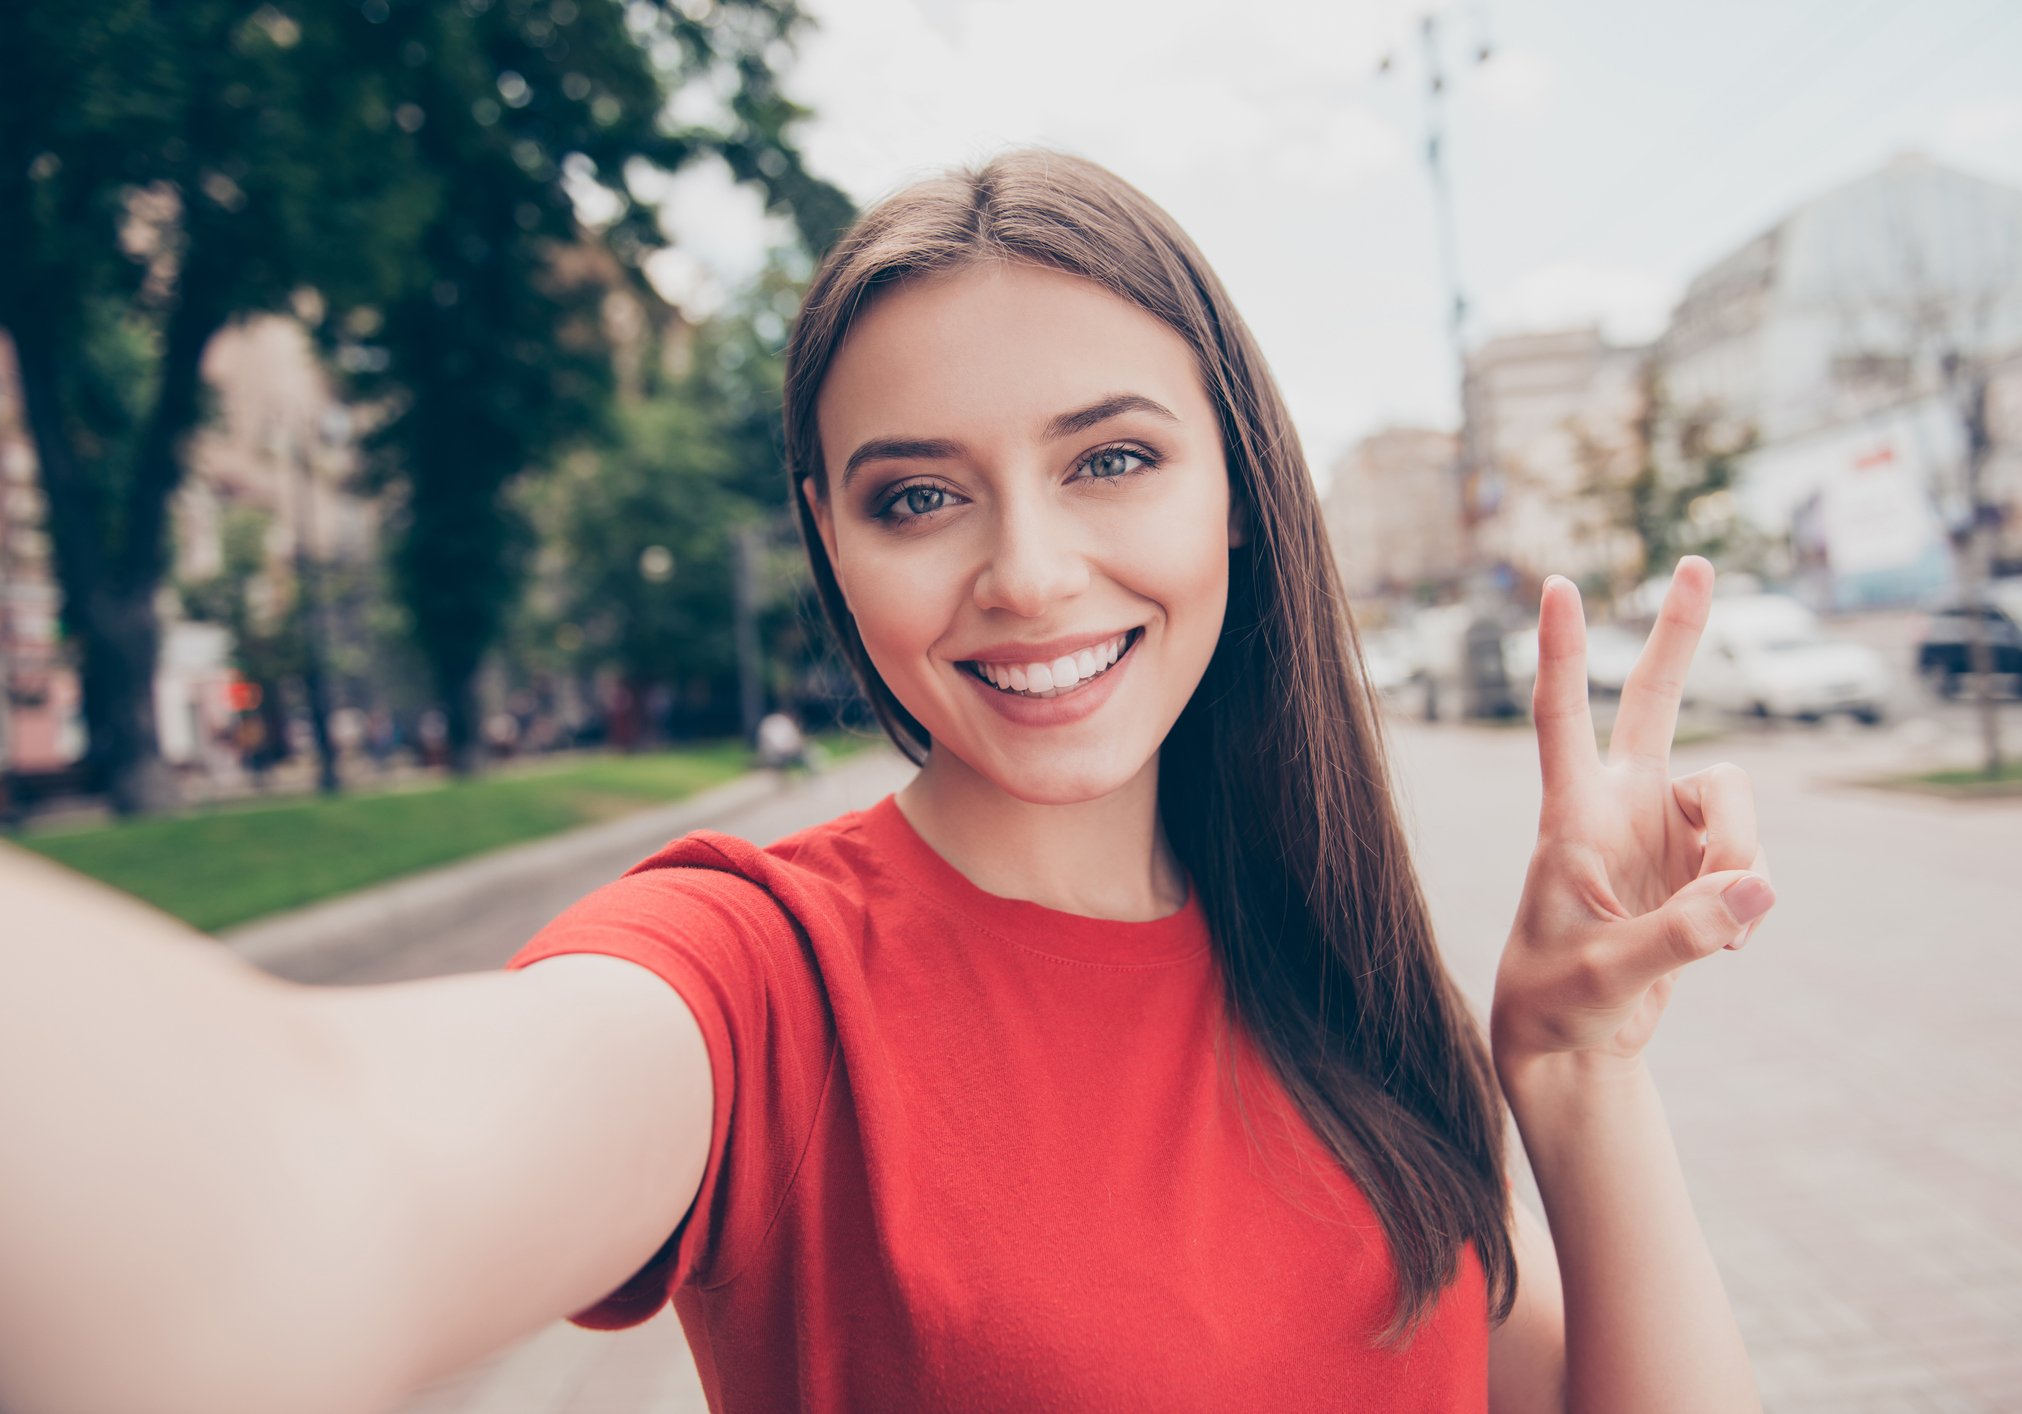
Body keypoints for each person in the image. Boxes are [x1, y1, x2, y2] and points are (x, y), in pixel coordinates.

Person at [0, 151, 1775, 1414]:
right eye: (918, 494)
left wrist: (1575, 1074)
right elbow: (314, 1183)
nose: (1029, 574)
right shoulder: (757, 980)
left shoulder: (1332, 961)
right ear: (829, 543)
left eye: (1111, 458)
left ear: (1238, 483)